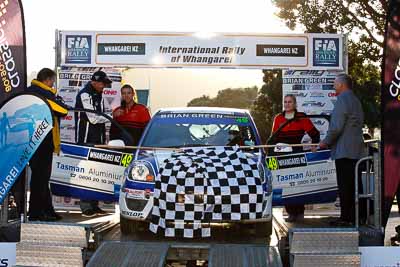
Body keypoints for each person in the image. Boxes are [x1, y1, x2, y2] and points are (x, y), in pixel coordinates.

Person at [319, 74, 365, 226]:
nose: (333, 87)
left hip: (344, 151)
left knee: (345, 186)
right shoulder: (356, 100)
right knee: (355, 186)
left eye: (335, 84)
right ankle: (357, 217)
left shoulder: (342, 100)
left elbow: (336, 128)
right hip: (356, 150)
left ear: (341, 85)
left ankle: (346, 218)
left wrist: (324, 143)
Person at [269, 94, 320, 222]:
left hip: (297, 155)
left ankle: (300, 213)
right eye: (285, 102)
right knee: (286, 185)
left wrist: (314, 146)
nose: (287, 104)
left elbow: (315, 133)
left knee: (298, 184)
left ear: (295, 104)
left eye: (290, 102)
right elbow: (273, 139)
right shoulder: (278, 118)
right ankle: (291, 213)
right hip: (282, 156)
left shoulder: (301, 117)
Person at [26, 68, 69, 221]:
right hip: (42, 141)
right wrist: (58, 99)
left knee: (40, 178)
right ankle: (37, 213)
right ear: (48, 80)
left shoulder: (30, 91)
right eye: (52, 81)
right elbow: (63, 110)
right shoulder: (44, 93)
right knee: (41, 178)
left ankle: (45, 210)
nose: (53, 85)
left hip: (32, 140)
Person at [75, 70, 112, 217]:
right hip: (86, 139)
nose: (104, 87)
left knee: (96, 172)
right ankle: (86, 207)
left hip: (98, 139)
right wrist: (111, 117)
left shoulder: (99, 94)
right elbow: (93, 118)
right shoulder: (85, 94)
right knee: (86, 172)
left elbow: (100, 117)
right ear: (95, 82)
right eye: (103, 83)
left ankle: (94, 205)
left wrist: (107, 118)